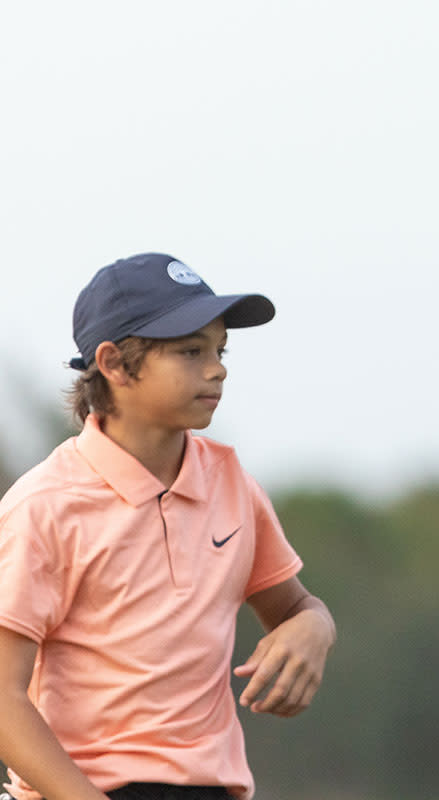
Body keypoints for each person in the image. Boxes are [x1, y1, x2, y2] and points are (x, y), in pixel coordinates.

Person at [0, 253, 337, 800]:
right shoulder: (45, 506)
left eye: (219, 349)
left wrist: (315, 627)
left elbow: (297, 606)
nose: (217, 367)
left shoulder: (232, 484)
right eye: (190, 350)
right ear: (113, 363)